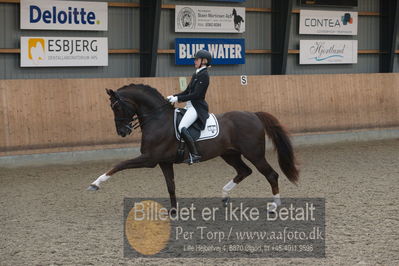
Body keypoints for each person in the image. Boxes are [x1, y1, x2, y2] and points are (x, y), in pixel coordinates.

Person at [167, 49, 211, 164]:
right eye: (195, 59)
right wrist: (174, 96)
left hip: (197, 108)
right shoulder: (196, 73)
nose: (195, 61)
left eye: (197, 59)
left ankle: (195, 154)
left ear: (204, 61)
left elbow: (196, 95)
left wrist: (178, 99)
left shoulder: (204, 75)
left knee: (182, 127)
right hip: (189, 106)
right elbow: (187, 91)